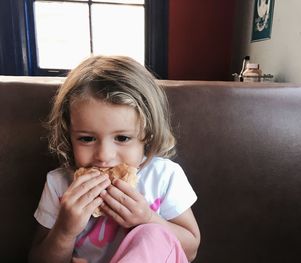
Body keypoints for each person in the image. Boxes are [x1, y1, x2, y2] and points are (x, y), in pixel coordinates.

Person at [29, 56, 201, 263]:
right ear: (69, 136)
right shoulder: (59, 185)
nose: (104, 156)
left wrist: (148, 219)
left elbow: (190, 250)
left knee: (153, 234)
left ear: (148, 134)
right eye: (87, 138)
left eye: (122, 138)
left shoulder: (164, 177)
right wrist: (64, 231)